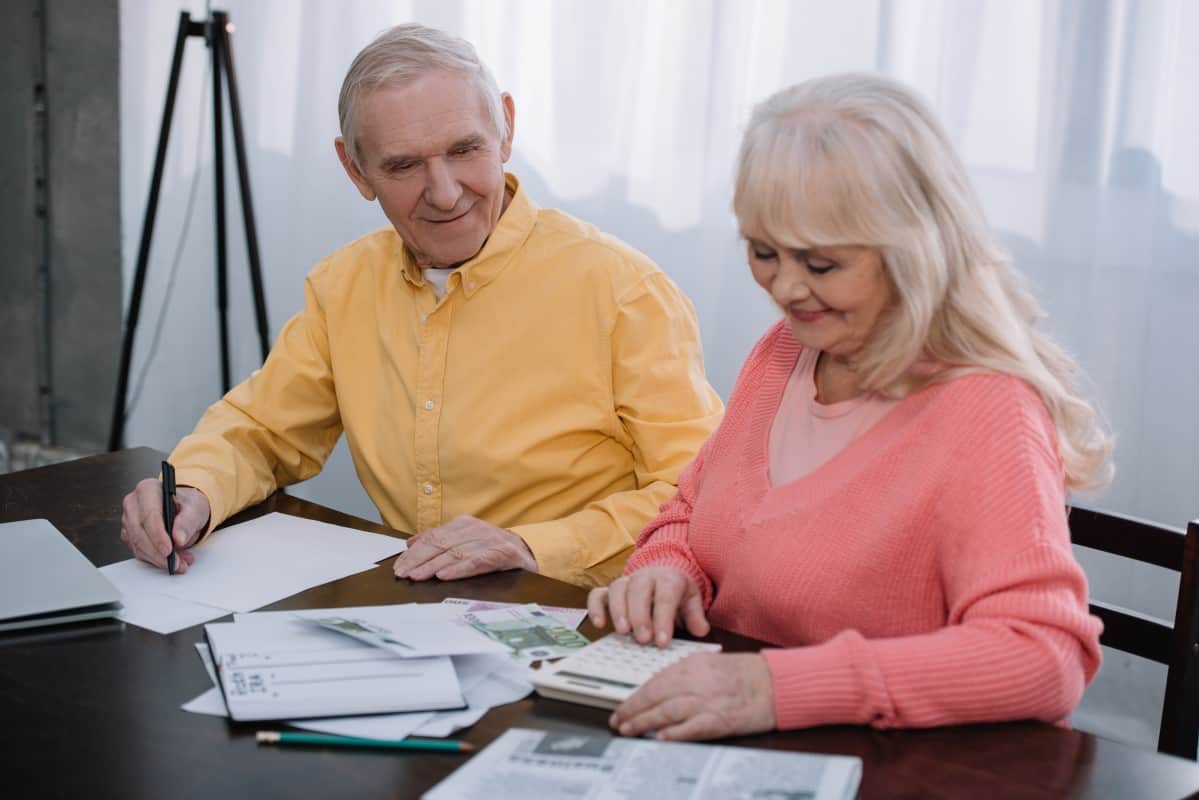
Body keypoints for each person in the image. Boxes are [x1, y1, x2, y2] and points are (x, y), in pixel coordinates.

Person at [588, 73, 1111, 741]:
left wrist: (776, 688)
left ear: (912, 249)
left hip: (898, 763)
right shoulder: (783, 351)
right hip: (738, 736)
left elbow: (1042, 659)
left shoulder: (985, 408)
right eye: (763, 252)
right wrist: (666, 567)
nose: (785, 287)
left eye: (821, 263)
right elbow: (692, 510)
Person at [118, 24, 722, 588]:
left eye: (464, 150)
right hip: (417, 615)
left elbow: (700, 496)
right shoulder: (344, 284)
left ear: (506, 129)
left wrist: (531, 546)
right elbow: (263, 430)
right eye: (404, 165)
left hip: (580, 616)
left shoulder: (623, 290)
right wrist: (193, 488)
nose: (444, 192)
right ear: (355, 169)